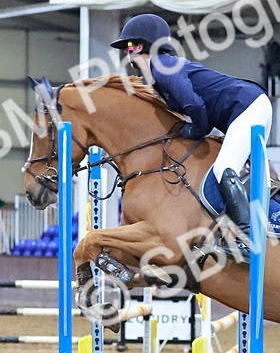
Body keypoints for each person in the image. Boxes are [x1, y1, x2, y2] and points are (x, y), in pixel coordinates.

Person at [111, 13, 271, 244]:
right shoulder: (161, 73)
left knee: (224, 168)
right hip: (250, 105)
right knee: (248, 171)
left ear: (139, 46)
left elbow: (194, 104)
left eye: (128, 47)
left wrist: (195, 131)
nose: (127, 54)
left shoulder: (162, 66)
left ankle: (247, 237)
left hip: (246, 107)